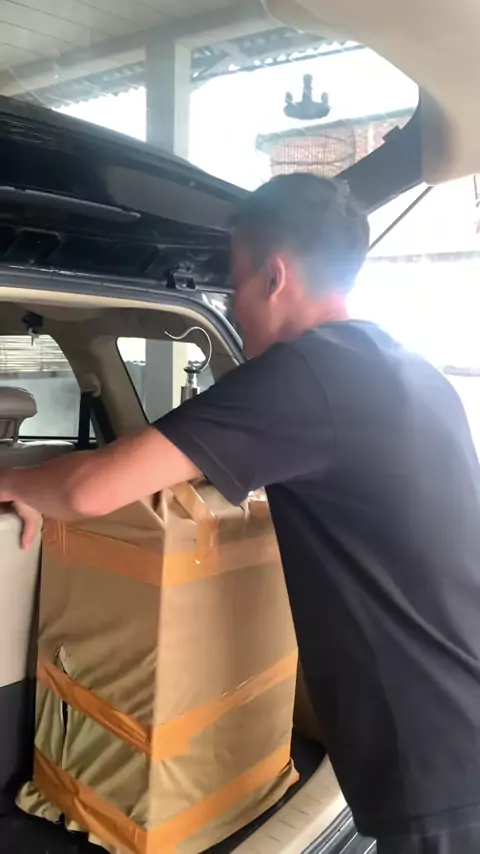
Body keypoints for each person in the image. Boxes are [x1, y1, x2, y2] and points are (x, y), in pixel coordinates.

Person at [2, 173, 480, 854]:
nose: (236, 307)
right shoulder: (406, 368)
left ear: (274, 277)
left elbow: (89, 491)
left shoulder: (305, 374)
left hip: (431, 753)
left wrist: (12, 479)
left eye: (233, 290)